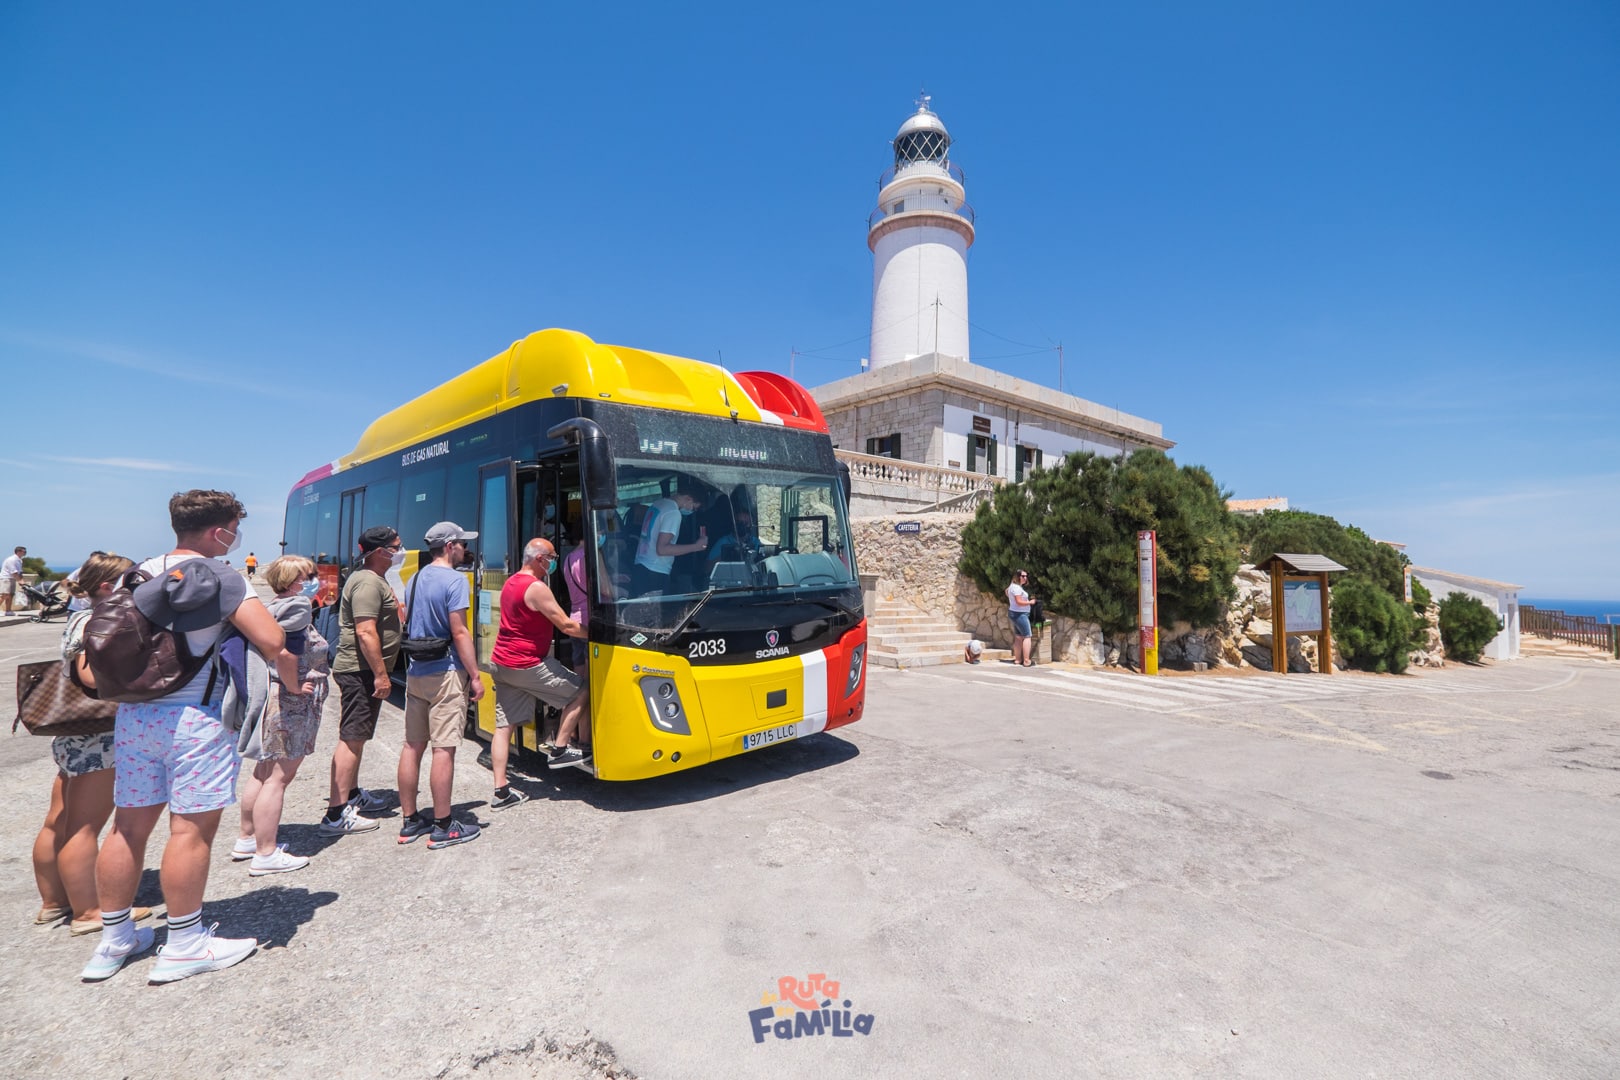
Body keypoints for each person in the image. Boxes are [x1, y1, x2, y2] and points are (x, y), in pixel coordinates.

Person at [83, 489, 298, 983]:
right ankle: (184, 943)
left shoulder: (135, 573)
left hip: (135, 719)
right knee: (189, 832)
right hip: (195, 721)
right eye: (234, 528)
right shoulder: (222, 577)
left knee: (126, 829)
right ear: (219, 531)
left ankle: (114, 941)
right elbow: (271, 639)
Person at [31, 553, 154, 935]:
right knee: (85, 825)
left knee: (60, 819)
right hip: (98, 736)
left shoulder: (77, 617)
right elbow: (89, 675)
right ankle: (89, 911)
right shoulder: (98, 620)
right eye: (130, 580)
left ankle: (54, 902)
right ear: (107, 586)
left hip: (73, 734)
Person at [232, 556, 327, 875]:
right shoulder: (298, 606)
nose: (315, 579)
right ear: (292, 581)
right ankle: (266, 852)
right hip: (289, 703)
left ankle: (247, 839)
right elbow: (287, 652)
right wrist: (296, 686)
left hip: (271, 698)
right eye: (309, 575)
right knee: (279, 777)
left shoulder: (271, 606)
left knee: (262, 771)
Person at [396, 522, 485, 849]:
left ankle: (409, 821)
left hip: (417, 671)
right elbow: (459, 632)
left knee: (412, 746)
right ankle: (444, 825)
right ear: (449, 546)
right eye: (462, 543)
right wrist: (475, 675)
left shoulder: (414, 579)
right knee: (443, 748)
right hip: (445, 671)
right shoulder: (454, 580)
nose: (464, 548)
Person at [489, 538, 591, 808]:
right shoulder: (536, 587)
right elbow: (567, 626)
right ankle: (559, 750)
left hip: (501, 663)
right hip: (527, 663)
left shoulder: (511, 581)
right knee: (580, 691)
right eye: (552, 557)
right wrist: (599, 635)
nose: (555, 561)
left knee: (503, 727)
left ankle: (501, 791)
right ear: (540, 559)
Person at [321, 526, 406, 836]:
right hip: (361, 671)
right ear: (381, 551)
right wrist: (382, 675)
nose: (401, 551)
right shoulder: (368, 582)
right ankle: (335, 813)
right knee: (352, 739)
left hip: (362, 670)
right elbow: (365, 631)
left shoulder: (373, 580)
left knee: (357, 736)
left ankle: (352, 795)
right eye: (397, 546)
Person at [631, 485, 708, 596]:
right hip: (655, 571)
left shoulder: (658, 504)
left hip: (641, 565)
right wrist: (696, 546)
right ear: (688, 499)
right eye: (694, 507)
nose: (692, 511)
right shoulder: (673, 513)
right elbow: (662, 549)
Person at [1006, 569, 1035, 667]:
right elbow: (1019, 601)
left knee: (1018, 637)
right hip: (1020, 614)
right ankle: (1026, 661)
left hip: (1014, 613)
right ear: (1017, 576)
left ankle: (1018, 660)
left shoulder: (1012, 587)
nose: (1025, 578)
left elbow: (1006, 592)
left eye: (1026, 576)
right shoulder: (1017, 588)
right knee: (1027, 636)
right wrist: (1030, 602)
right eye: (1023, 576)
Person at [1, 544, 24, 616]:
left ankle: (8, 610)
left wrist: (22, 580)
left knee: (10, 595)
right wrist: (20, 581)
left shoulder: (19, 560)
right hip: (6, 578)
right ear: (18, 552)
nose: (25, 553)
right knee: (4, 595)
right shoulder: (11, 560)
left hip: (12, 579)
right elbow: (14, 572)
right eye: (24, 552)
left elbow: (20, 572)